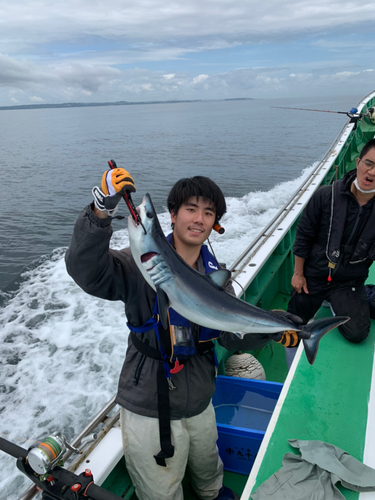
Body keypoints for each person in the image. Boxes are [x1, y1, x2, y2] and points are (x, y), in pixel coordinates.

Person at [65, 168, 300, 500]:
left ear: (214, 223)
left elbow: (231, 336)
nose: (199, 219)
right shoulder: (136, 267)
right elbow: (87, 271)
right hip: (149, 401)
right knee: (161, 490)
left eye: (208, 213)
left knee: (209, 470)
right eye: (191, 209)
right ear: (172, 215)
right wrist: (101, 210)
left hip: (201, 396)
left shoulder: (216, 278)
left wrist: (271, 329)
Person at [287, 138, 375, 346]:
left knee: (357, 334)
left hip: (349, 281)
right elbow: (303, 236)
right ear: (358, 163)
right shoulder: (325, 196)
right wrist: (298, 274)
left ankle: (342, 299)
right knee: (291, 328)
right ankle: (325, 299)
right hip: (314, 275)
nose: (371, 173)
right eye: (368, 164)